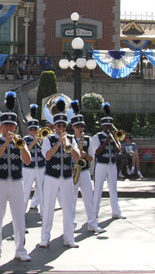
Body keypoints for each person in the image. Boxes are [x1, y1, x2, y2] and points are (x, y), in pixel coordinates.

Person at [0, 91, 32, 262]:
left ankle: (20, 249)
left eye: (12, 126)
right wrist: (6, 143)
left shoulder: (20, 141)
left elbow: (27, 161)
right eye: (6, 126)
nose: (9, 129)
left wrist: (20, 146)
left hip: (16, 182)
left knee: (19, 217)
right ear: (1, 127)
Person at [40, 98, 81, 248]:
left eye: (64, 125)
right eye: (59, 125)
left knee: (69, 207)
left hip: (67, 177)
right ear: (54, 126)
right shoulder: (48, 139)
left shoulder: (70, 139)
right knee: (48, 207)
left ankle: (69, 238)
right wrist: (58, 143)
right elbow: (48, 156)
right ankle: (45, 238)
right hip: (51, 177)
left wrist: (67, 143)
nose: (61, 128)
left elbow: (77, 157)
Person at [69, 100, 104, 234]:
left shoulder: (88, 140)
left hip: (83, 172)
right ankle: (70, 224)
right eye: (78, 127)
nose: (80, 129)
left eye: (82, 127)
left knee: (89, 198)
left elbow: (91, 158)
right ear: (73, 127)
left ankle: (92, 223)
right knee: (71, 200)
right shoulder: (68, 139)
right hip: (72, 172)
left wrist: (84, 155)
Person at [91, 102, 125, 222]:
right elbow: (97, 151)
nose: (108, 129)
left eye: (110, 126)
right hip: (101, 165)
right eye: (106, 127)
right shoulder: (97, 137)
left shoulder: (113, 137)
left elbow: (118, 150)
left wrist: (116, 140)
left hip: (112, 164)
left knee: (113, 189)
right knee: (98, 189)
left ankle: (116, 212)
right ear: (102, 127)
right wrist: (107, 141)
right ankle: (94, 214)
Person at [23, 104, 45, 216]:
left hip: (41, 166)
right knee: (26, 190)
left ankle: (43, 213)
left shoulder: (43, 139)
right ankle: (22, 213)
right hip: (28, 167)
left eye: (35, 129)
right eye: (31, 129)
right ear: (28, 130)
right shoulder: (25, 139)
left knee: (42, 190)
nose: (33, 131)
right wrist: (34, 142)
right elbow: (25, 150)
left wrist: (40, 140)